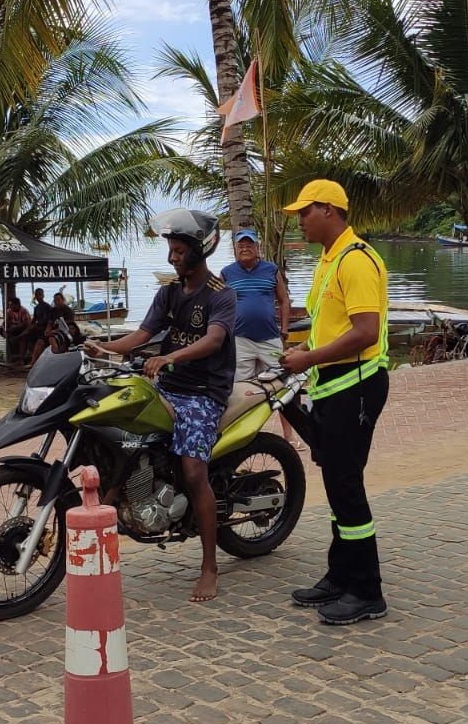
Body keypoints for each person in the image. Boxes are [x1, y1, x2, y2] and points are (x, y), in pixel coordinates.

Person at [84, 210, 236, 603]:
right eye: (170, 249)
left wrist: (170, 358)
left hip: (204, 391)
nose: (172, 257)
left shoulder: (220, 293)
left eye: (180, 250)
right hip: (168, 385)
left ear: (201, 250)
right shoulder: (168, 292)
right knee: (125, 430)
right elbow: (141, 334)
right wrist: (102, 347)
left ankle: (209, 567)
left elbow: (214, 341)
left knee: (193, 471)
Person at [279, 180, 392, 626]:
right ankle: (340, 574)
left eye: (304, 213)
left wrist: (307, 357)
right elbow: (332, 324)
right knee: (337, 484)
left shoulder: (356, 260)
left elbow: (365, 331)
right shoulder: (330, 260)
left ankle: (367, 591)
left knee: (347, 486)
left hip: (357, 386)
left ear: (328, 210)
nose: (300, 221)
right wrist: (300, 349)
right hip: (334, 385)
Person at [222, 228, 299, 447]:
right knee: (240, 391)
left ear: (258, 248)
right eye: (241, 245)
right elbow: (219, 306)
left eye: (249, 244)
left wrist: (284, 331)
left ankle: (289, 435)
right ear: (236, 249)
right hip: (240, 339)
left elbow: (284, 301)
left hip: (270, 338)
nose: (245, 248)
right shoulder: (227, 273)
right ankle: (242, 437)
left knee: (283, 385)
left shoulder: (271, 270)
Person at [4, 295, 30, 362]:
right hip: (15, 330)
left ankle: (21, 358)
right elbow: (5, 322)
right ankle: (12, 355)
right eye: (9, 305)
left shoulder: (23, 311)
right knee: (5, 333)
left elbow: (25, 324)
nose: (10, 306)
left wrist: (15, 327)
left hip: (24, 329)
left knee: (23, 338)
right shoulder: (9, 311)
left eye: (11, 305)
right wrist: (5, 329)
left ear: (17, 305)